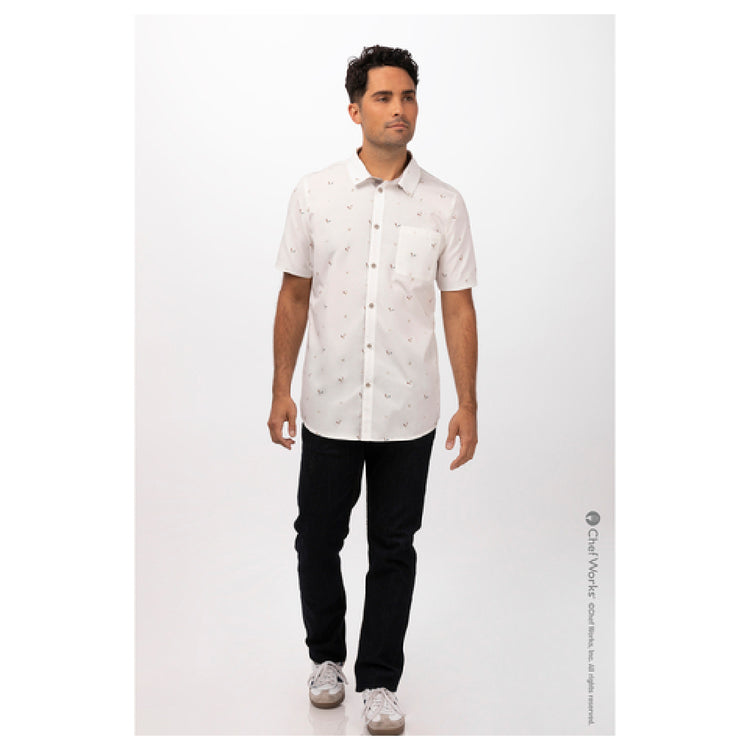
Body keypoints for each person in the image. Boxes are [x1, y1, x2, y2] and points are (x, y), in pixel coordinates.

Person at [268, 44, 478, 736]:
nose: (399, 109)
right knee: (316, 538)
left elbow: (458, 307)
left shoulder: (444, 204)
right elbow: (294, 295)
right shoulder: (315, 194)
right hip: (328, 403)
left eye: (408, 96)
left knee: (394, 547)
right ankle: (326, 659)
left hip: (408, 409)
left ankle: (379, 681)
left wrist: (469, 404)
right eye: (384, 97)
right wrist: (280, 389)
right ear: (355, 110)